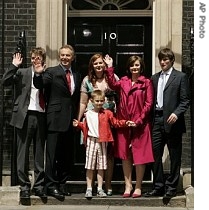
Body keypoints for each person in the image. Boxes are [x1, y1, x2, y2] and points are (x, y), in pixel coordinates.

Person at [33, 44, 81, 199]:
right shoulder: (51, 72)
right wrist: (38, 74)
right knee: (52, 154)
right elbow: (39, 85)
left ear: (73, 57)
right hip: (54, 118)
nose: (65, 58)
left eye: (68, 55)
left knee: (66, 155)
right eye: (62, 55)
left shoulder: (76, 74)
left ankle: (61, 183)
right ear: (59, 56)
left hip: (70, 119)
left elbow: (75, 97)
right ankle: (50, 185)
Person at [104, 55, 154, 198]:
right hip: (124, 123)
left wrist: (139, 120)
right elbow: (112, 84)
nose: (134, 68)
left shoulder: (146, 83)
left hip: (140, 125)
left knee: (139, 156)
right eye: (132, 65)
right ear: (129, 67)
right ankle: (128, 185)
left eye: (137, 65)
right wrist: (109, 67)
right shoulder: (124, 82)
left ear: (141, 66)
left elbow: (148, 104)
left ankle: (138, 186)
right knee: (125, 155)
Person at [144, 48, 190, 198]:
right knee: (155, 155)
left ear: (171, 61)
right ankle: (158, 186)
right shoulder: (154, 78)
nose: (162, 62)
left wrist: (176, 114)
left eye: (165, 59)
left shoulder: (181, 77)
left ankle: (171, 188)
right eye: (161, 59)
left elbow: (185, 100)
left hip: (173, 122)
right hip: (156, 119)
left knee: (174, 155)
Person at [73, 89, 135, 199]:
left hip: (102, 141)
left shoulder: (107, 113)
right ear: (91, 101)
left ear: (104, 101)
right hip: (91, 141)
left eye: (101, 101)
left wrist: (126, 123)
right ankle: (89, 188)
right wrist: (78, 125)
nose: (99, 103)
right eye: (97, 101)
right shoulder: (87, 114)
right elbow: (85, 127)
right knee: (90, 166)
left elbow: (115, 123)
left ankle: (100, 188)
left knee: (101, 166)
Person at [2, 48, 47, 199]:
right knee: (23, 152)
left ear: (43, 59)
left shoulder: (48, 73)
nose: (36, 60)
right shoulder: (22, 72)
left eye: (39, 58)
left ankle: (39, 185)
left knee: (39, 152)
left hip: (41, 115)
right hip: (24, 115)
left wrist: (40, 73)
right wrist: (14, 66)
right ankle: (24, 186)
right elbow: (5, 81)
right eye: (33, 58)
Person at [77, 53, 119, 196]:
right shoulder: (87, 80)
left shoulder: (112, 78)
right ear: (92, 66)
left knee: (109, 155)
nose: (99, 65)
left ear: (105, 64)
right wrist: (79, 120)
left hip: (109, 120)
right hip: (93, 121)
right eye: (96, 63)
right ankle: (91, 187)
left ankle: (107, 185)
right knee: (92, 156)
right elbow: (83, 102)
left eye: (101, 63)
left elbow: (121, 95)